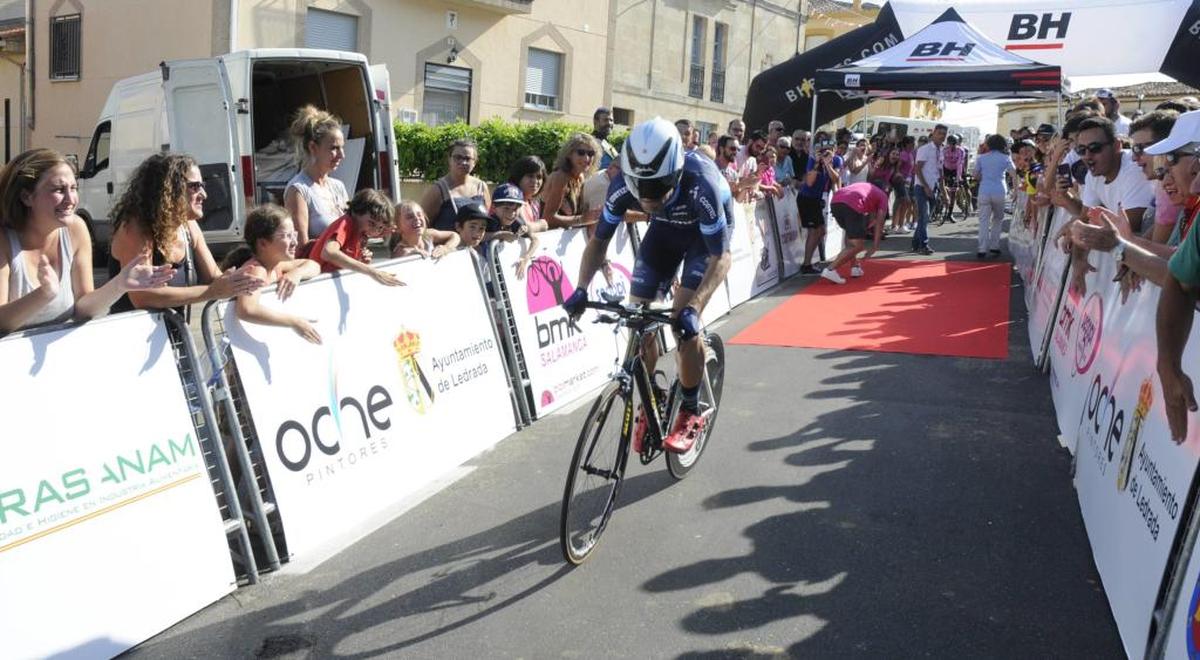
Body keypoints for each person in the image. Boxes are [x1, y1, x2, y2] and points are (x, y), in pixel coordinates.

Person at [562, 117, 733, 454]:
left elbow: (721, 259)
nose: (648, 200)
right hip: (665, 234)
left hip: (704, 240)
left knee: (684, 325)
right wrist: (581, 288)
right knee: (638, 317)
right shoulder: (624, 187)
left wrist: (694, 309)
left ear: (676, 172)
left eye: (657, 189)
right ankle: (653, 396)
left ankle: (689, 408)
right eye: (641, 189)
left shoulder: (703, 184)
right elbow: (598, 243)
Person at [0, 148, 174, 333]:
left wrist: (119, 284)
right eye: (59, 189)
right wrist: (43, 294)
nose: (70, 199)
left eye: (73, 188)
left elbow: (83, 309)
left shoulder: (76, 228)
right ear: (27, 197)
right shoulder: (4, 239)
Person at [109, 152, 264, 314]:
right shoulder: (135, 228)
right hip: (130, 336)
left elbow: (214, 278)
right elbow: (143, 297)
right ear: (168, 189)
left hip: (173, 337)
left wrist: (259, 273)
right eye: (195, 186)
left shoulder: (189, 226)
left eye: (203, 185)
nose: (204, 195)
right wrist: (211, 291)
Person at [221, 204, 322, 344]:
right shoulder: (256, 270)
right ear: (263, 243)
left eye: (294, 235)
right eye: (287, 236)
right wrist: (295, 322)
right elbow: (246, 309)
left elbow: (314, 265)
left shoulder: (276, 265)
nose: (294, 242)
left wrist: (297, 274)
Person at [1052, 116, 1153, 232]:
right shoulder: (1093, 174)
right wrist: (1066, 196)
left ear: (1116, 146)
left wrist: (1078, 228)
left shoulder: (1135, 168)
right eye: (1081, 150)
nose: (1087, 155)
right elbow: (1085, 216)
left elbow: (1130, 226)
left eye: (1095, 148)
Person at [307, 188, 403, 286]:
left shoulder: (361, 232)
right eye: (371, 223)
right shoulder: (346, 224)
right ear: (358, 211)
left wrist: (361, 260)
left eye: (380, 227)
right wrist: (372, 272)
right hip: (317, 283)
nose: (374, 230)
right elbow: (328, 252)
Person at [284, 105, 350, 245]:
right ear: (313, 147)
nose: (341, 155)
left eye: (342, 148)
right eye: (334, 148)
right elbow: (301, 247)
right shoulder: (298, 190)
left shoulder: (338, 187)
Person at [1129, 110, 1181, 243]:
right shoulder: (1163, 182)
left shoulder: (1170, 187)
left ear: (1163, 146)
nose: (1134, 157)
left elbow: (1155, 251)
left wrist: (1118, 243)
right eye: (1133, 149)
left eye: (1139, 148)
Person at [821, 181, 888, 284]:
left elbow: (872, 218)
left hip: (835, 202)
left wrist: (869, 223)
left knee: (851, 237)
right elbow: (879, 223)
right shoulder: (883, 196)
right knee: (858, 246)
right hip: (852, 204)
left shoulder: (866, 188)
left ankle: (854, 267)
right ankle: (830, 269)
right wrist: (875, 246)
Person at [421, 138, 490, 232]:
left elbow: (486, 221)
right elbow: (423, 226)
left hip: (475, 246)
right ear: (449, 159)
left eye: (467, 158)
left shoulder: (481, 187)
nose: (463, 162)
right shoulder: (438, 190)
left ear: (474, 162)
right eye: (458, 157)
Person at [798, 135, 842, 274]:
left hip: (817, 199)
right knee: (814, 231)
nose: (827, 153)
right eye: (824, 150)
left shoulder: (836, 160)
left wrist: (828, 164)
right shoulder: (813, 159)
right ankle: (806, 264)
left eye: (830, 150)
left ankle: (809, 261)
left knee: (821, 231)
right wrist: (818, 163)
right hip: (807, 198)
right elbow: (809, 182)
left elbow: (836, 179)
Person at [542, 133, 602, 230]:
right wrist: (583, 219)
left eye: (591, 154)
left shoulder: (581, 177)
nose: (586, 158)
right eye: (581, 152)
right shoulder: (560, 177)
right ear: (569, 154)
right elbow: (547, 218)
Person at [973, 134, 1017, 258]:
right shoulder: (1006, 158)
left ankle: (982, 248)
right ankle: (994, 246)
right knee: (998, 219)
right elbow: (1014, 174)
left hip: (984, 190)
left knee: (983, 220)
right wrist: (1016, 191)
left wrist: (984, 178)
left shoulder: (981, 158)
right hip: (1000, 191)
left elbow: (975, 174)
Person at [488, 182, 540, 278]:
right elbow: (477, 238)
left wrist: (525, 258)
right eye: (506, 208)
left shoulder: (517, 223)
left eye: (515, 209)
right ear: (494, 207)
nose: (511, 214)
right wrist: (500, 234)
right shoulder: (488, 222)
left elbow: (535, 240)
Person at [913, 124, 947, 254]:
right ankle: (923, 245)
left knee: (925, 218)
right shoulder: (925, 149)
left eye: (944, 134)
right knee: (924, 216)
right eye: (939, 133)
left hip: (934, 187)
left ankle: (916, 243)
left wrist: (944, 191)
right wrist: (926, 187)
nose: (942, 136)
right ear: (933, 133)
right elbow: (917, 169)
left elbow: (940, 171)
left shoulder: (941, 150)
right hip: (922, 187)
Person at [390, 200, 460, 259]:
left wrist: (446, 247)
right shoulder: (400, 250)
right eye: (410, 217)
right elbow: (402, 254)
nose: (417, 218)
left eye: (419, 215)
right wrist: (412, 253)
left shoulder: (428, 235)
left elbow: (454, 235)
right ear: (397, 227)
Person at [506, 155, 550, 232]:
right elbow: (523, 228)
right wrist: (541, 224)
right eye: (530, 176)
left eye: (539, 177)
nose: (535, 181)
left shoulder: (534, 203)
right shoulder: (510, 197)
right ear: (518, 176)